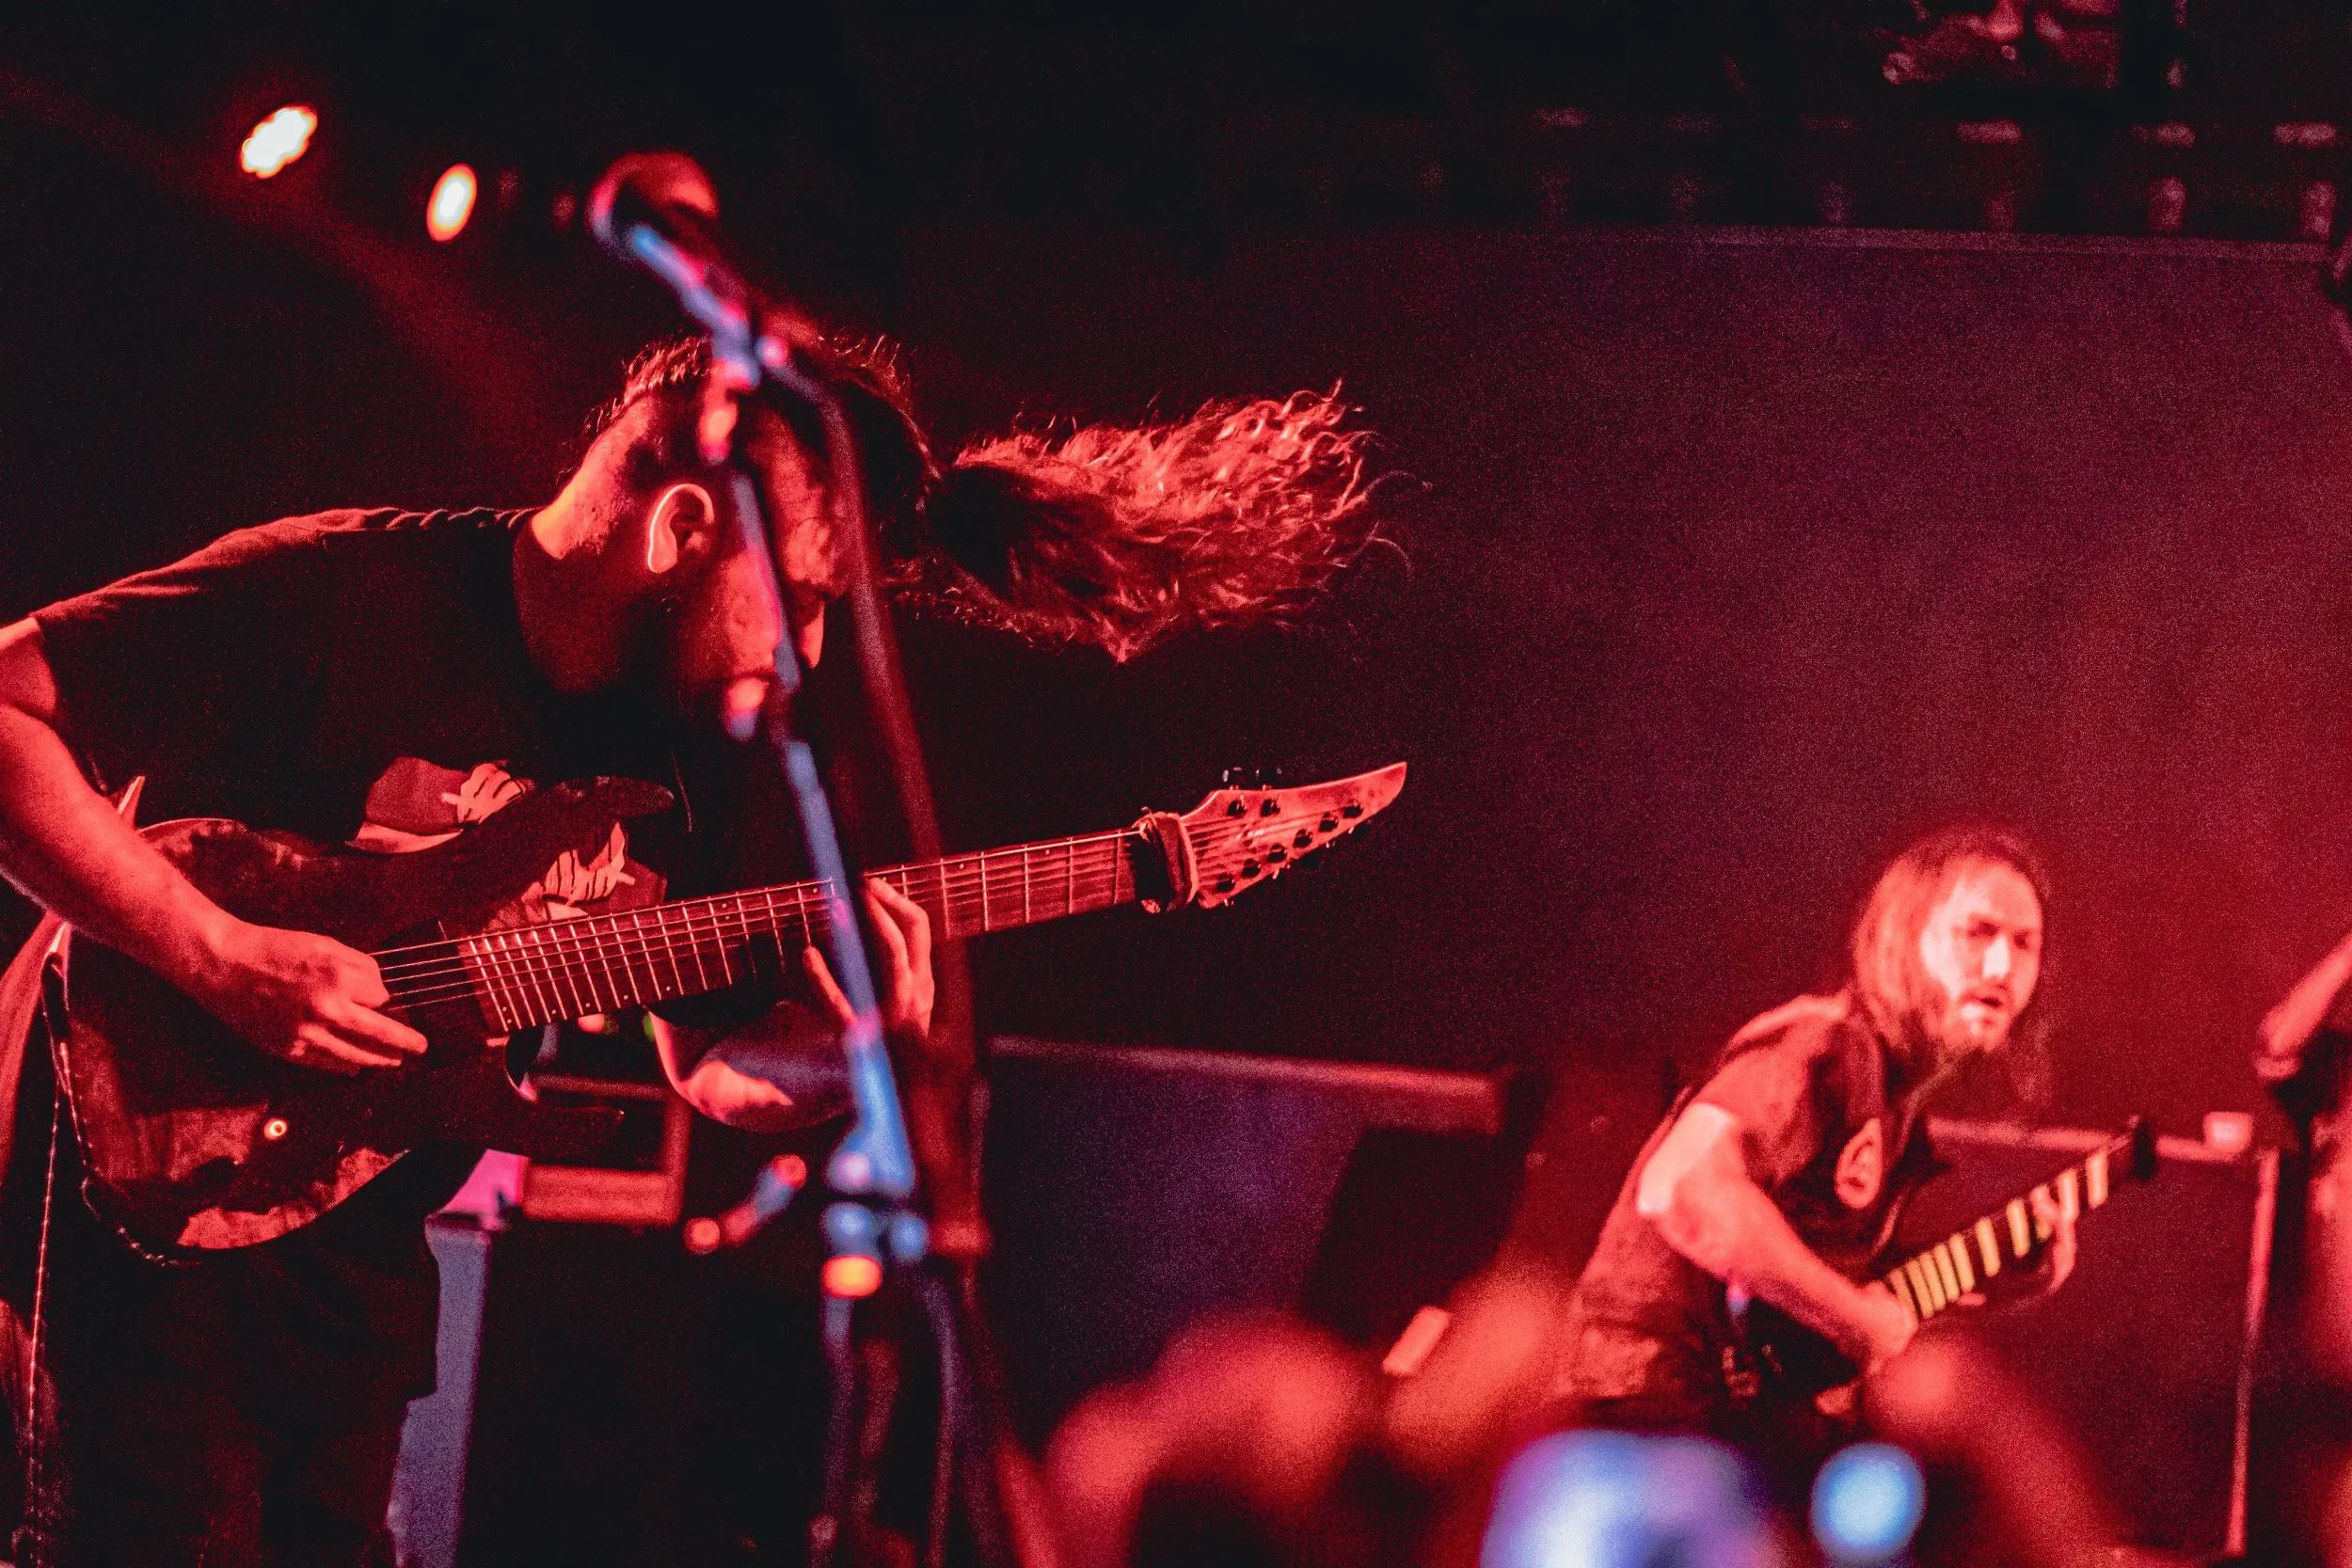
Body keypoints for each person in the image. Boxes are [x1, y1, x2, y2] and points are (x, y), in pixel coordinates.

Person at [0, 333, 1375, 1567]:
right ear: (681, 524)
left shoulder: (698, 743)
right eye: (805, 597)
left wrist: (842, 1054)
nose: (808, 652)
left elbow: (709, 1059)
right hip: (143, 1238)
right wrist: (220, 952)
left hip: (352, 1284)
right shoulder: (346, 593)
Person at [1556, 826, 2078, 1468]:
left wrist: (2001, 1286)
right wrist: (1853, 1317)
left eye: (2025, 943)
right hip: (1642, 1426)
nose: (2002, 968)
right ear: (1904, 935)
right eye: (1978, 932)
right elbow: (1682, 1187)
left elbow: (1824, 1304)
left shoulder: (1895, 1100)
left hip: (1716, 1435)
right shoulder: (1823, 1045)